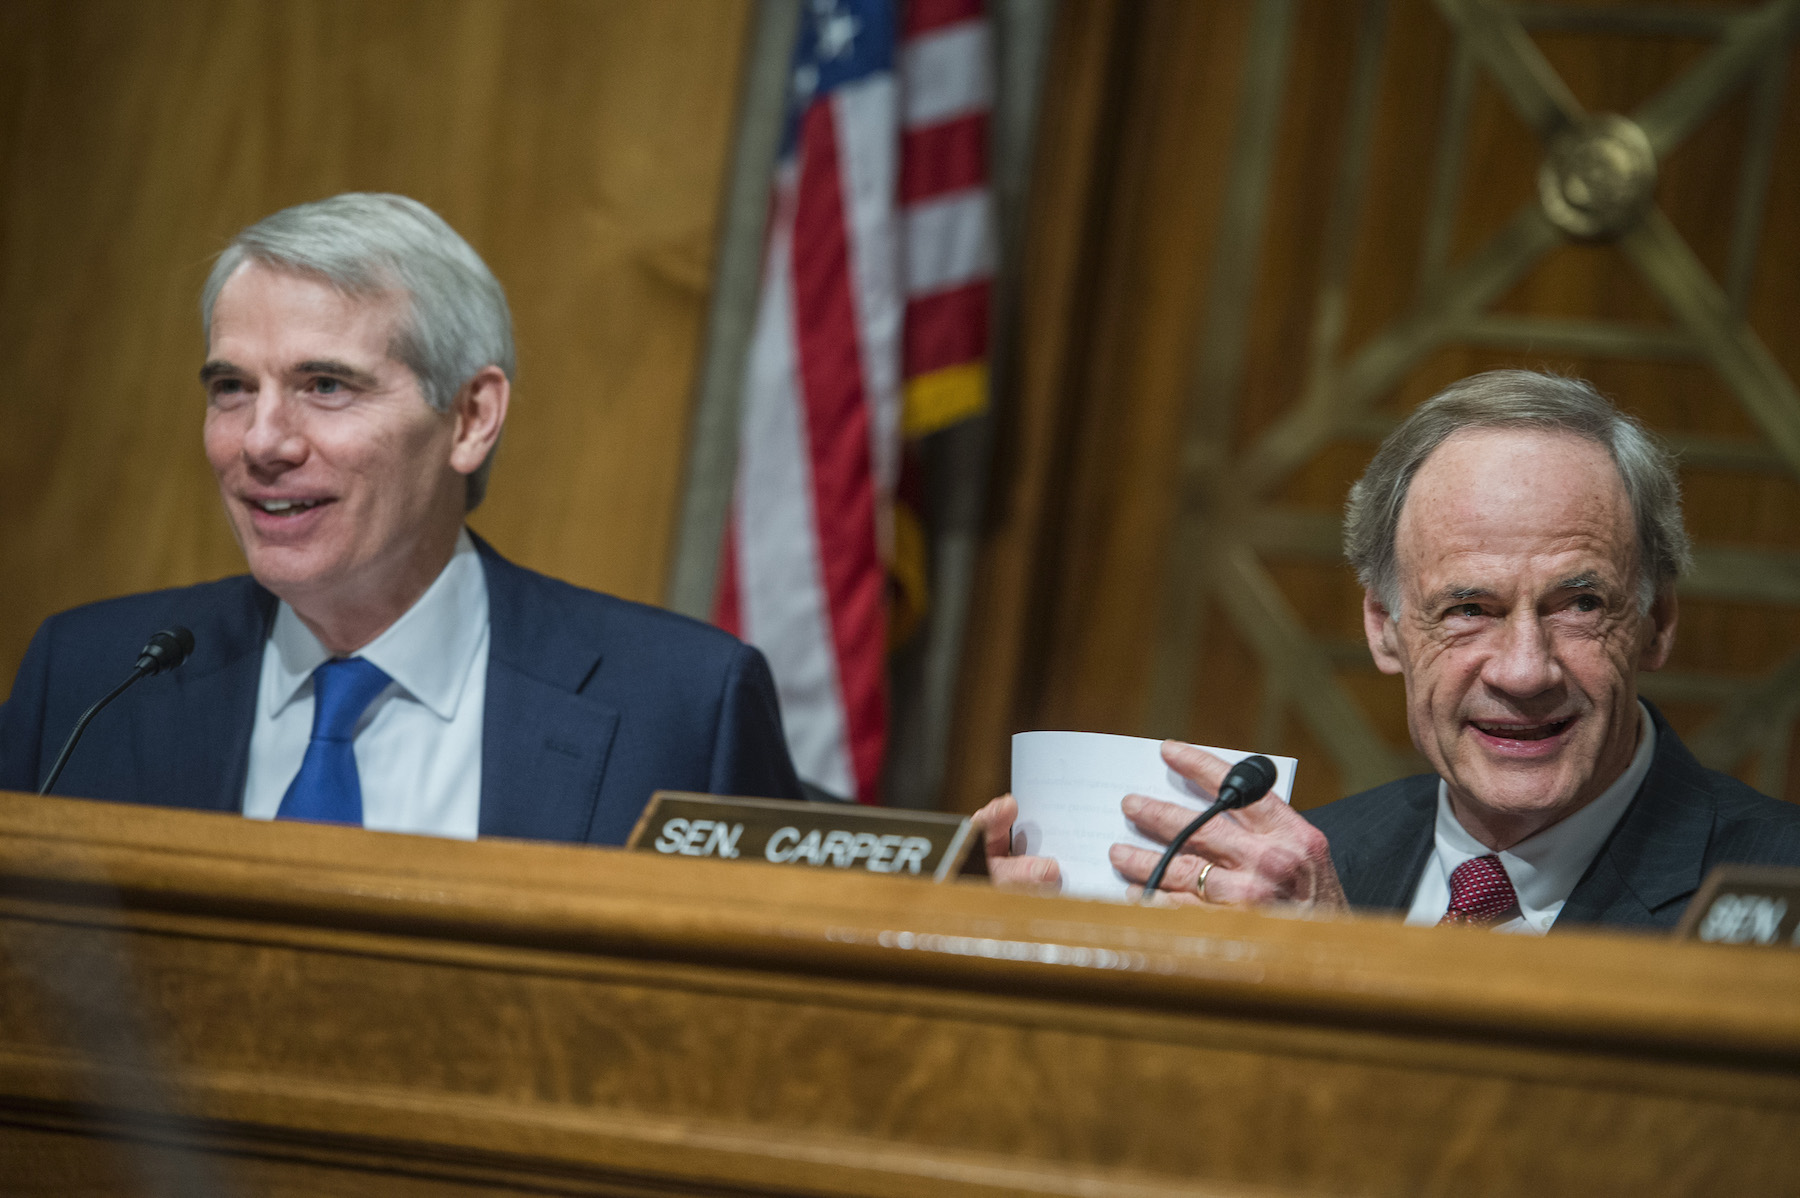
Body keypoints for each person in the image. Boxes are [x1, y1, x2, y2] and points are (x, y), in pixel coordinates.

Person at [0, 193, 802, 841]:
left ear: (470, 418)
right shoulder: (87, 681)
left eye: (326, 386)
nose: (262, 440)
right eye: (231, 388)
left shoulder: (682, 706)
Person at [978, 370, 1800, 931]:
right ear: (1384, 628)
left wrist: (1336, 983)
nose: (1524, 670)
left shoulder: (1779, 889)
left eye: (1580, 605)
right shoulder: (1303, 862)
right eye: (1468, 609)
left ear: (1657, 624)